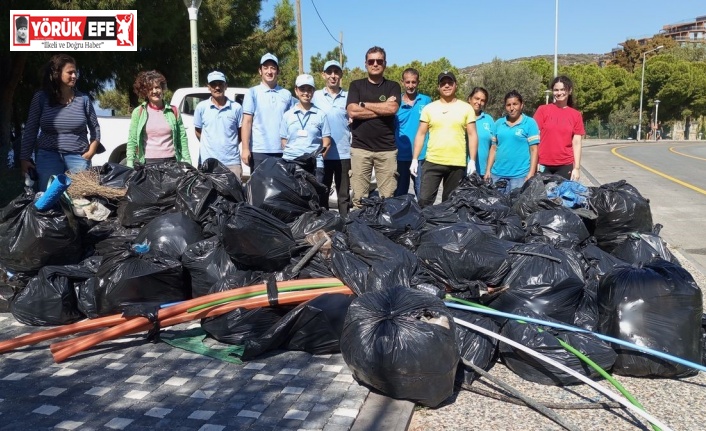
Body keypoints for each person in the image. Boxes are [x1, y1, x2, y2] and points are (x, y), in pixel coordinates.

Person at [20, 54, 101, 192]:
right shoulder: (40, 98)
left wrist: (91, 152)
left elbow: (95, 129)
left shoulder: (84, 99)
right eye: (70, 72)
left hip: (79, 158)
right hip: (48, 158)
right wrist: (24, 158)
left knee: (79, 202)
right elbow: (30, 130)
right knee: (49, 201)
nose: (74, 76)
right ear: (57, 74)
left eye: (75, 72)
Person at [409, 72, 478, 207]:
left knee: (450, 203)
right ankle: (425, 227)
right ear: (438, 87)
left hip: (456, 163)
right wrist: (415, 159)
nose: (446, 86)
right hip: (433, 161)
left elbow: (472, 134)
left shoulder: (466, 108)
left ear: (455, 85)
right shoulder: (429, 108)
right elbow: (421, 134)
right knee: (424, 200)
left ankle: (445, 227)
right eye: (443, 83)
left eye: (450, 83)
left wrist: (473, 160)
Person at [346, 46, 401, 208]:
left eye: (379, 61)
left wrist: (364, 104)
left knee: (387, 199)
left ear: (385, 63)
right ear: (365, 64)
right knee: (358, 199)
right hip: (360, 149)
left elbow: (392, 109)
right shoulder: (356, 85)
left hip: (386, 150)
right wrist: (382, 108)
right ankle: (357, 232)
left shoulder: (393, 86)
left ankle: (383, 232)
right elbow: (353, 112)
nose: (375, 64)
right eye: (371, 61)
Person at [241, 53, 294, 172]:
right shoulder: (252, 93)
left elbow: (292, 123)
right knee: (259, 189)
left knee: (281, 189)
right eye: (265, 68)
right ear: (260, 71)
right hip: (259, 152)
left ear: (278, 71)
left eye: (273, 68)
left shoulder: (286, 94)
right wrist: (245, 149)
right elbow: (247, 122)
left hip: (282, 152)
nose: (269, 71)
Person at [126, 70, 190, 167]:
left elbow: (182, 139)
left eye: (157, 87)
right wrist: (130, 164)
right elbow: (132, 140)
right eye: (150, 89)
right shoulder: (138, 112)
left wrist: (187, 162)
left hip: (171, 163)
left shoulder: (174, 111)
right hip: (148, 164)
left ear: (162, 88)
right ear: (145, 92)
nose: (155, 91)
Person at [312, 59, 352, 217]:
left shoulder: (349, 97)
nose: (333, 76)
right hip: (323, 154)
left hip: (343, 154)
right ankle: (325, 224)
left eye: (336, 72)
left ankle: (344, 226)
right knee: (323, 192)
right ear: (323, 75)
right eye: (329, 72)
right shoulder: (315, 96)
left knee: (343, 196)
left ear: (341, 75)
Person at [485, 90, 540, 194]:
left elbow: (534, 150)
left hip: (520, 176)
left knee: (515, 207)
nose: (511, 108)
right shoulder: (498, 123)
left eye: (515, 104)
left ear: (521, 105)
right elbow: (493, 149)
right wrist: (488, 170)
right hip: (497, 174)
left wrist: (531, 173)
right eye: (508, 105)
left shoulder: (530, 123)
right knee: (496, 207)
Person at [533, 75, 585, 180]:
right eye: (556, 90)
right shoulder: (542, 110)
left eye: (562, 89)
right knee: (542, 196)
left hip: (565, 165)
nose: (559, 93)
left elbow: (577, 143)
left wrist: (577, 168)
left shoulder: (576, 115)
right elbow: (534, 138)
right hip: (543, 164)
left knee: (562, 196)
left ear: (569, 91)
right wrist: (535, 162)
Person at [194, 71, 243, 177]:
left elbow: (240, 133)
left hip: (231, 163)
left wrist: (228, 145)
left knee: (233, 193)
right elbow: (198, 132)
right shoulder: (201, 107)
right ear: (208, 87)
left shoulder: (236, 108)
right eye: (213, 84)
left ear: (226, 86)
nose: (217, 87)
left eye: (220, 84)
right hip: (207, 162)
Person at [280, 74, 331, 175]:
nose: (306, 93)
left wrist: (317, 159)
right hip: (290, 162)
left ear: (313, 92)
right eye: (302, 89)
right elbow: (284, 140)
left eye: (309, 89)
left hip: (314, 166)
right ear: (296, 91)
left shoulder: (321, 115)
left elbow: (327, 142)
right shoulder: (287, 115)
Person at [395, 68, 432, 197]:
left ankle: (423, 217)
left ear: (418, 82)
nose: (411, 86)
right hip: (401, 156)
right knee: (399, 195)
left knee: (422, 194)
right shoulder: (395, 103)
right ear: (402, 82)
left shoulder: (426, 101)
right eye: (408, 82)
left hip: (422, 156)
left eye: (414, 82)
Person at [467, 87, 494, 177]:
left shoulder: (489, 120)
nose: (479, 102)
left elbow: (493, 147)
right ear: (469, 99)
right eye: (476, 98)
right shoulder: (461, 117)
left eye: (482, 100)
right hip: (462, 171)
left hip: (482, 172)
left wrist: (488, 170)